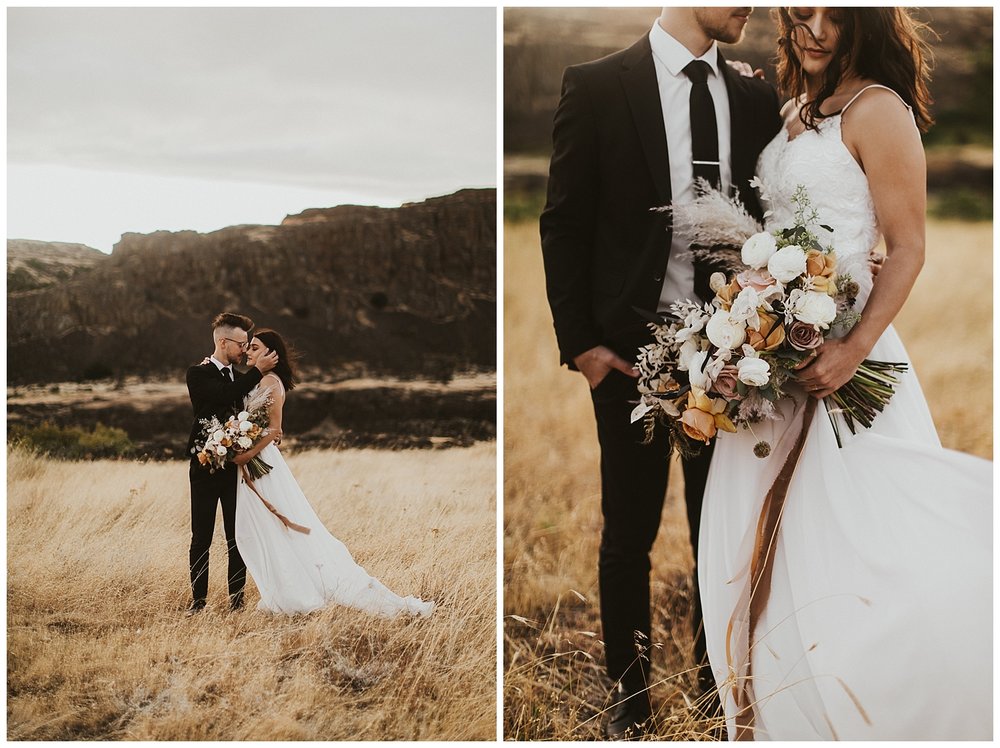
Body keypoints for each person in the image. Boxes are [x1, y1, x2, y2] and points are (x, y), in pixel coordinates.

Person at [697, 7, 992, 740]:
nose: (815, 30)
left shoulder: (879, 110)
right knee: (764, 546)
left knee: (858, 548)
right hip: (773, 361)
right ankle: (782, 715)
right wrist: (745, 329)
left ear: (866, 22)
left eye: (835, 15)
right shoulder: (796, 107)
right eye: (803, 12)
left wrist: (849, 349)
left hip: (844, 362)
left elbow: (910, 247)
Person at [539, 7, 782, 738]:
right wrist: (582, 346)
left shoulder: (752, 95)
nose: (751, 7)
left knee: (724, 533)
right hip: (630, 363)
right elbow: (564, 220)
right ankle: (630, 705)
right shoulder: (597, 85)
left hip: (737, 360)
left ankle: (719, 700)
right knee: (629, 536)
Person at [231, 329, 435, 618]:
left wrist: (248, 453)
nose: (248, 352)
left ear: (270, 354)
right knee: (260, 528)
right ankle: (280, 591)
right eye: (248, 347)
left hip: (261, 460)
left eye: (254, 347)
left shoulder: (270, 382)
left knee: (273, 526)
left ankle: (296, 594)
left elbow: (274, 430)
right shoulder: (261, 380)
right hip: (254, 457)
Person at [186, 312, 279, 614]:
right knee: (201, 536)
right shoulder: (197, 374)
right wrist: (257, 371)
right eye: (240, 344)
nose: (243, 349)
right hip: (203, 466)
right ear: (223, 342)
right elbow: (223, 395)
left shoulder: (240, 379)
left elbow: (252, 409)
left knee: (236, 536)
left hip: (235, 467)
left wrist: (270, 430)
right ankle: (198, 603)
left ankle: (236, 602)